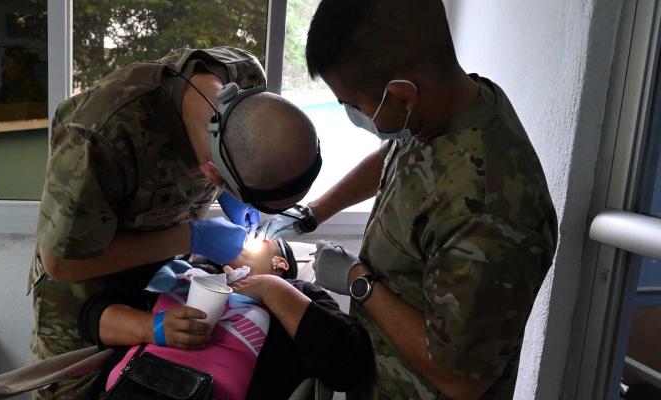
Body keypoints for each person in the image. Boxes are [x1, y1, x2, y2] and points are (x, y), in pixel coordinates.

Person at [263, 1, 559, 399]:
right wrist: (313, 213)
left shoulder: (488, 211)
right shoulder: (448, 108)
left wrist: (358, 281)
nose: (355, 113)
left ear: (402, 95)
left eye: (355, 105)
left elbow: (461, 378)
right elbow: (400, 156)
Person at [30, 46, 321, 399]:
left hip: (157, 284)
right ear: (213, 173)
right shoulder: (99, 136)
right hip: (83, 289)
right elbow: (61, 262)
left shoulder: (244, 83)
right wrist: (190, 237)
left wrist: (229, 201)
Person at [78, 238, 373, 400]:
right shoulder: (181, 273)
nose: (243, 236)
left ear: (279, 262)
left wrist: (272, 289)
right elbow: (91, 318)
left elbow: (349, 367)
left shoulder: (297, 296)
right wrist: (152, 327)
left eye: (257, 237)